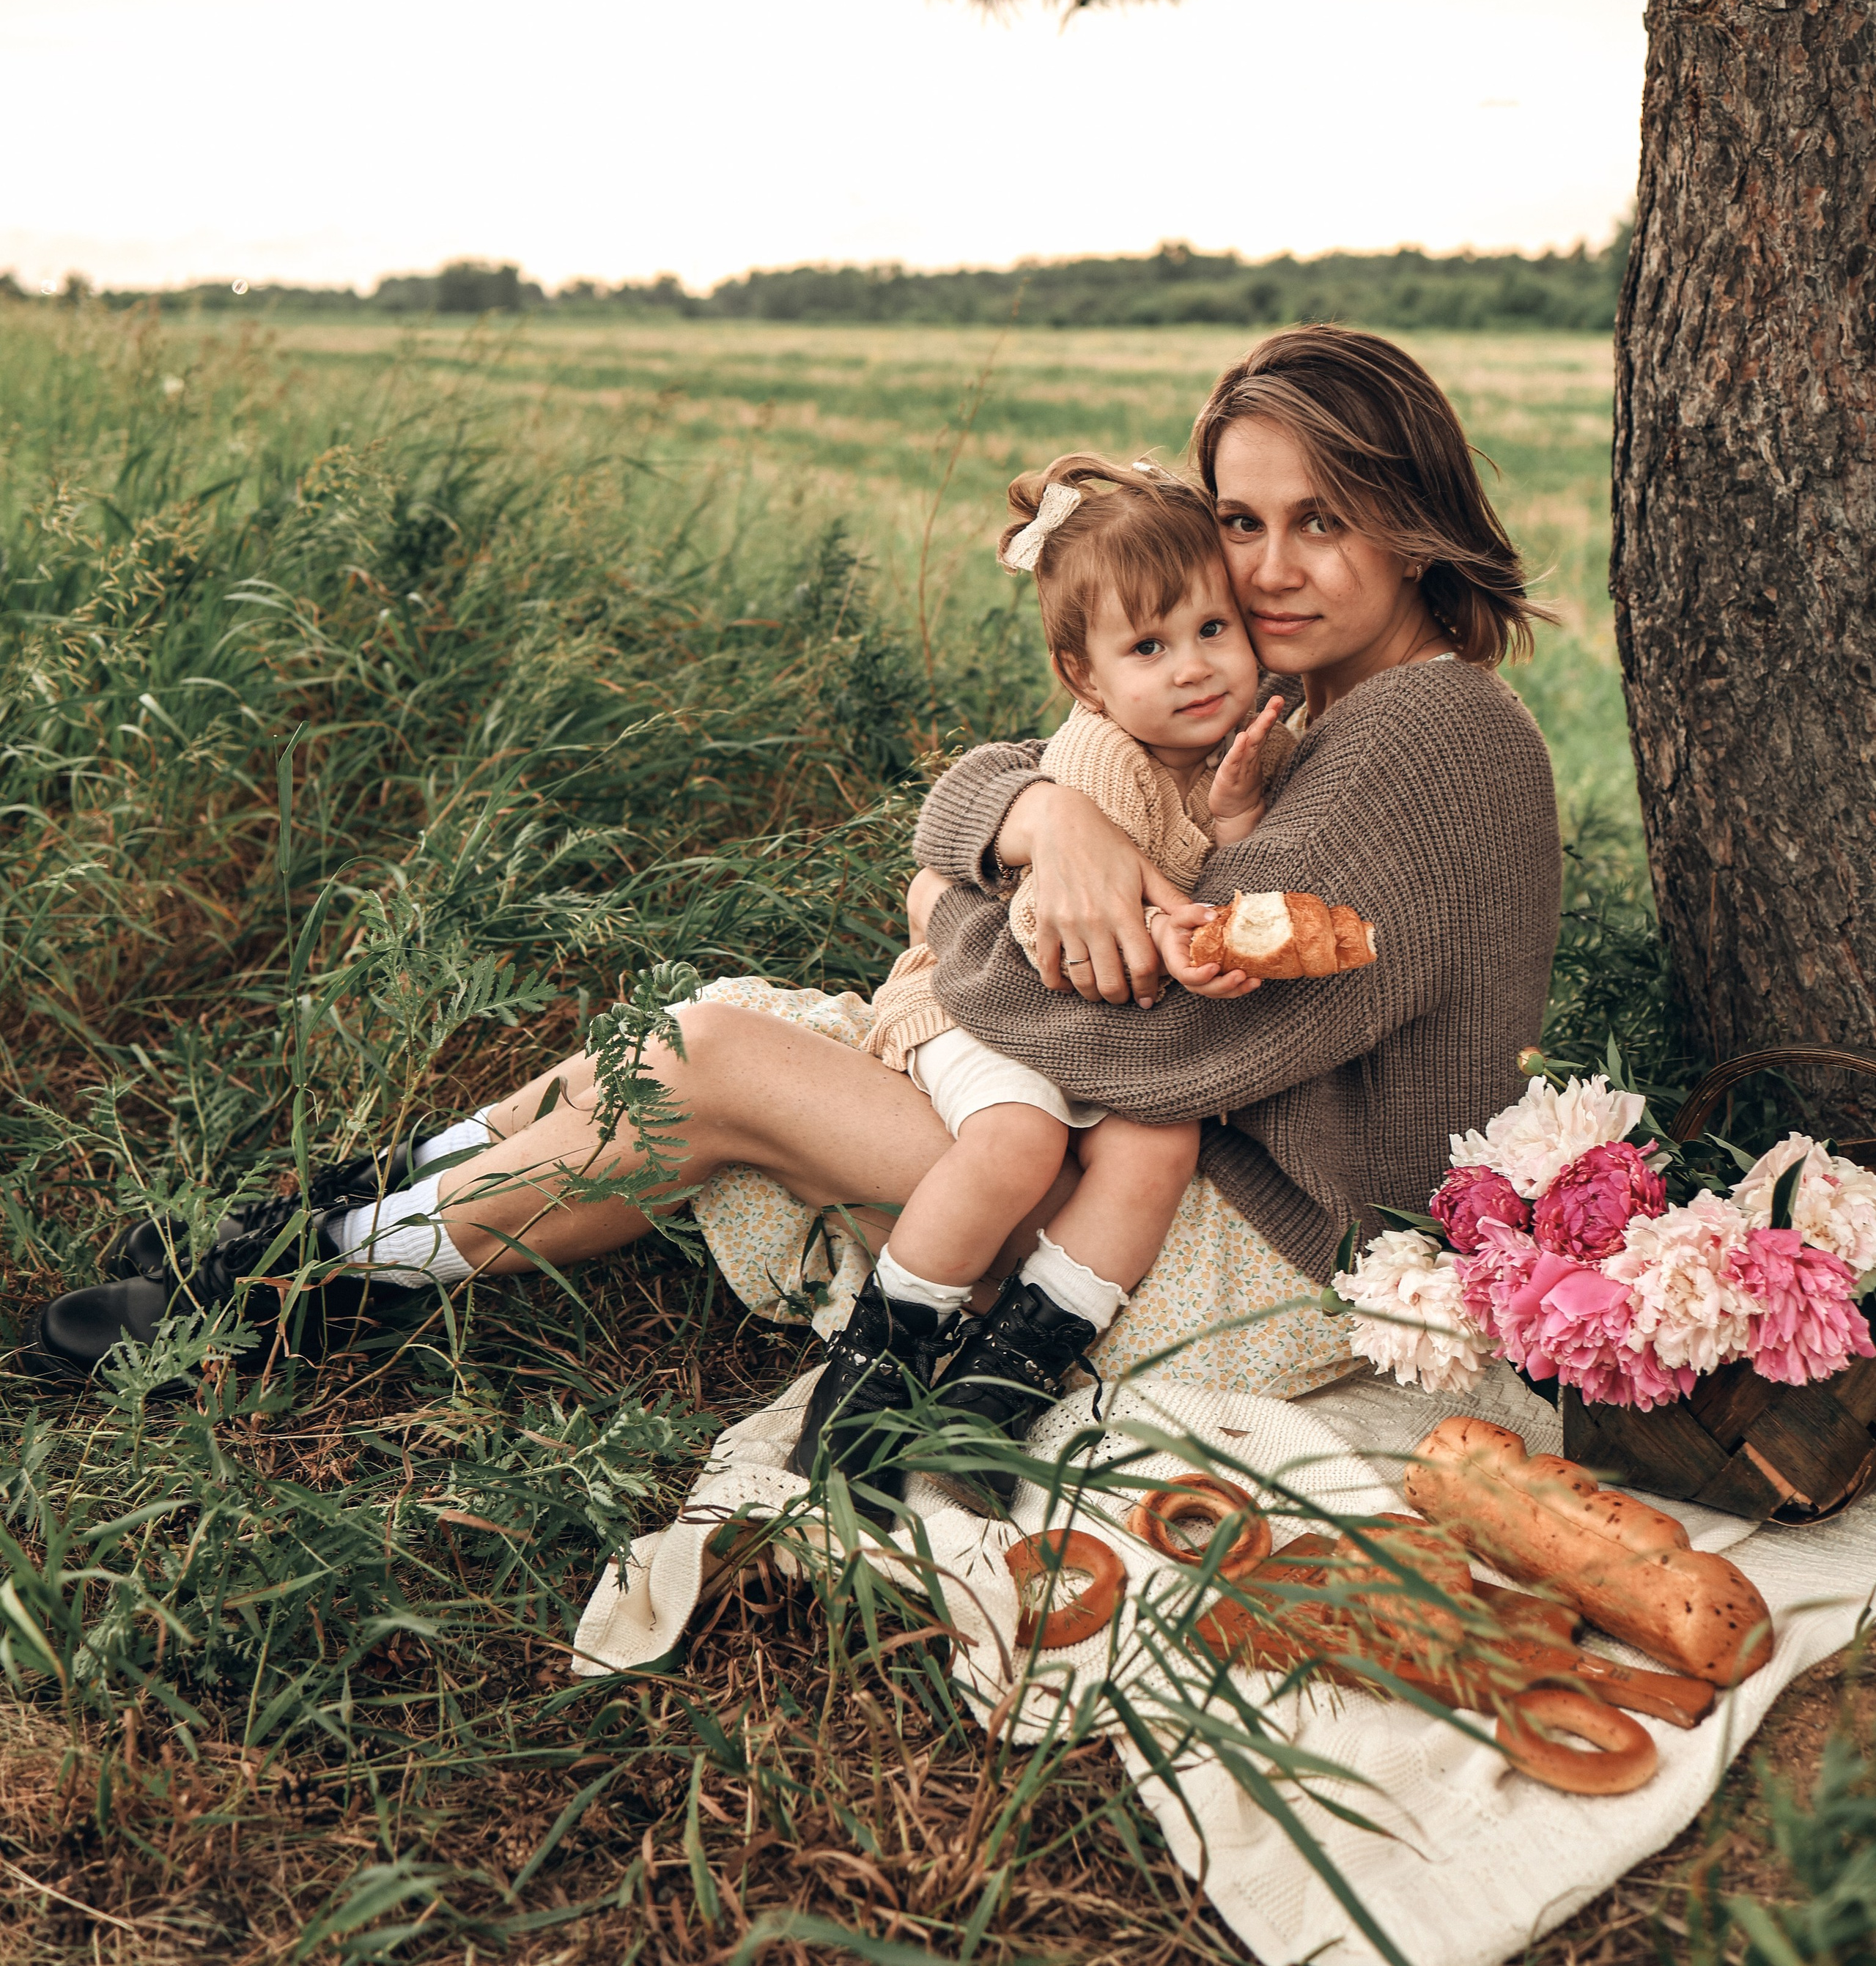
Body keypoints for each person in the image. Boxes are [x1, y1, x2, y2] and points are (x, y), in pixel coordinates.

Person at [25, 328, 1562, 1474]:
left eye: (1321, 517)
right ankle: (341, 1220)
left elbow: (1174, 1052)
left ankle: (292, 1292)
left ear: (1411, 513)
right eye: (1240, 520)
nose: (1271, 566)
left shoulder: (1426, 735)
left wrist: (969, 909)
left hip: (1245, 1241)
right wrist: (1030, 821)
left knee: (717, 1066)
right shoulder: (1288, 702)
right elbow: (978, 793)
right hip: (1158, 1157)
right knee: (711, 1025)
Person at [791, 454, 1288, 1507]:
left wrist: (1237, 814)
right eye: (1150, 646)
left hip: (1100, 1034)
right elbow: (1043, 937)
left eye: (1213, 630)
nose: (1195, 665)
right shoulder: (1102, 760)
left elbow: (1206, 871)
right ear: (1088, 678)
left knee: (1161, 1142)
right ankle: (877, 1365)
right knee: (1016, 1139)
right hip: (986, 1006)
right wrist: (1180, 946)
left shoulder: (1215, 752)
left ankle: (1003, 1376)